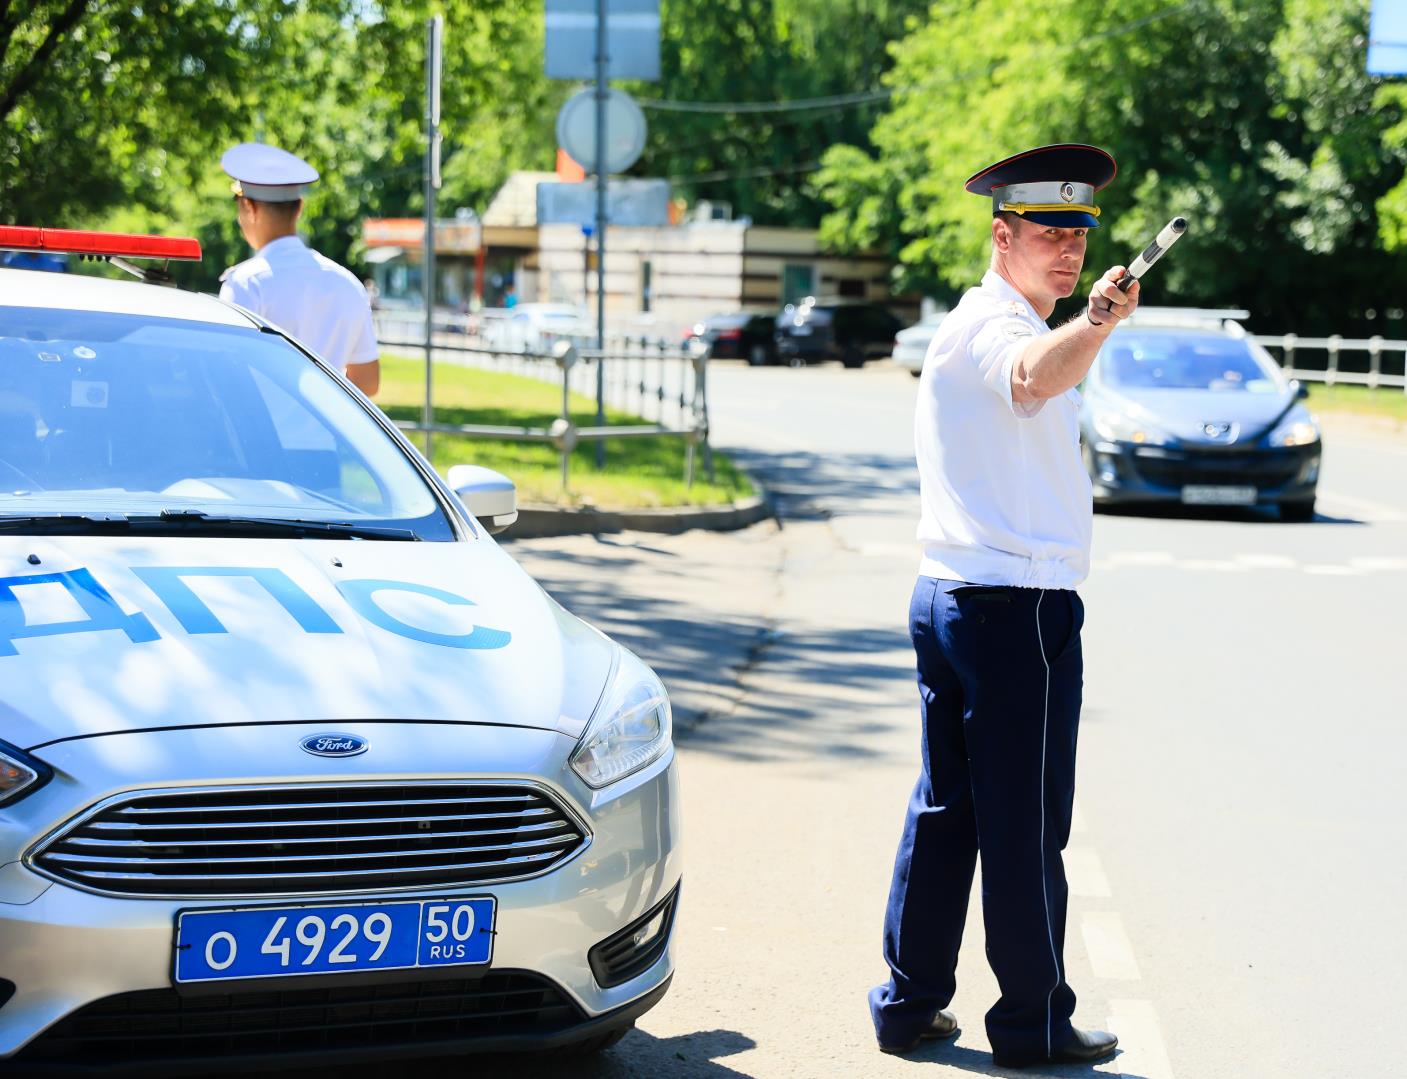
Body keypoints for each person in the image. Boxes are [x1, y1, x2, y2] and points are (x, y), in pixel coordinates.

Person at [869, 143, 1140, 1069]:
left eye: (1077, 233)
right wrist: (1098, 322)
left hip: (957, 593)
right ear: (1001, 235)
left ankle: (908, 1003)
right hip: (1010, 606)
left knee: (948, 809)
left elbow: (1040, 370)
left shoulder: (997, 321)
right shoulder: (989, 326)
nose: (1066, 250)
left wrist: (1082, 326)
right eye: (1047, 233)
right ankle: (1032, 1023)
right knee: (1024, 824)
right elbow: (1030, 374)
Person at [219, 142, 380, 397]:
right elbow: (368, 382)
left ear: (249, 208)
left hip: (261, 435)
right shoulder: (347, 282)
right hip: (327, 434)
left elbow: (227, 375)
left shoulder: (247, 284)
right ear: (300, 207)